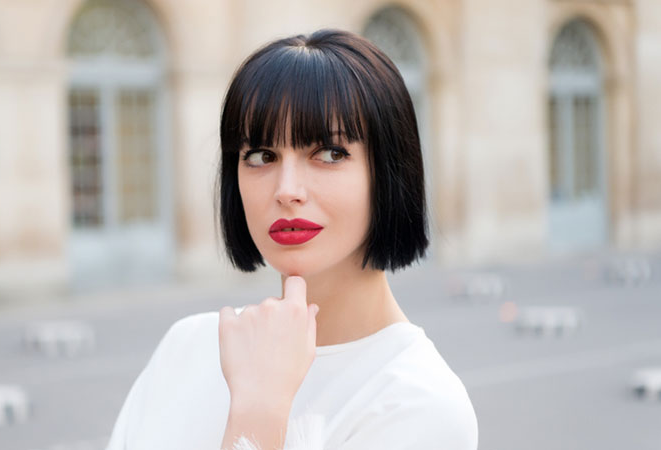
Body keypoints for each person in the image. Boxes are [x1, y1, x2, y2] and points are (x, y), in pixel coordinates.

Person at [105, 29, 478, 450]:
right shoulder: (187, 347)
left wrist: (259, 412)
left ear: (389, 172)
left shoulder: (422, 404)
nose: (287, 189)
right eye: (262, 156)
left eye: (330, 154)